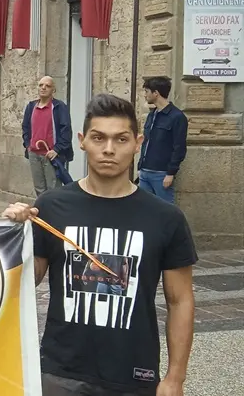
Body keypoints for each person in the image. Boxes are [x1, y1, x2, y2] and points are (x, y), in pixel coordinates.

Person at [24, 94, 196, 396]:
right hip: (60, 371)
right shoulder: (51, 207)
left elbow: (180, 301)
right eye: (98, 138)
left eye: (120, 139)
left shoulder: (165, 218)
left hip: (133, 374)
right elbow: (25, 282)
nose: (108, 149)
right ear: (82, 141)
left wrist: (175, 378)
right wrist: (13, 234)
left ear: (137, 143)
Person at [138, 76, 187, 204]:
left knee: (166, 211)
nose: (145, 95)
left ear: (156, 93)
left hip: (161, 174)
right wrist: (140, 167)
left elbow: (179, 147)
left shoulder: (177, 117)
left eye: (147, 91)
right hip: (144, 172)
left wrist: (170, 173)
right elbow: (146, 142)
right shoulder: (152, 114)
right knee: (143, 209)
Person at [22, 76, 73, 196]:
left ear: (53, 90)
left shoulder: (59, 107)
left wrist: (57, 149)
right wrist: (28, 145)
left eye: (47, 86)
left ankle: (54, 214)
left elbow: (66, 130)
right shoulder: (31, 106)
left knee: (53, 189)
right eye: (41, 85)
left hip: (51, 155)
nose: (43, 88)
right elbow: (25, 127)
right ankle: (42, 213)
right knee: (39, 189)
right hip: (34, 153)